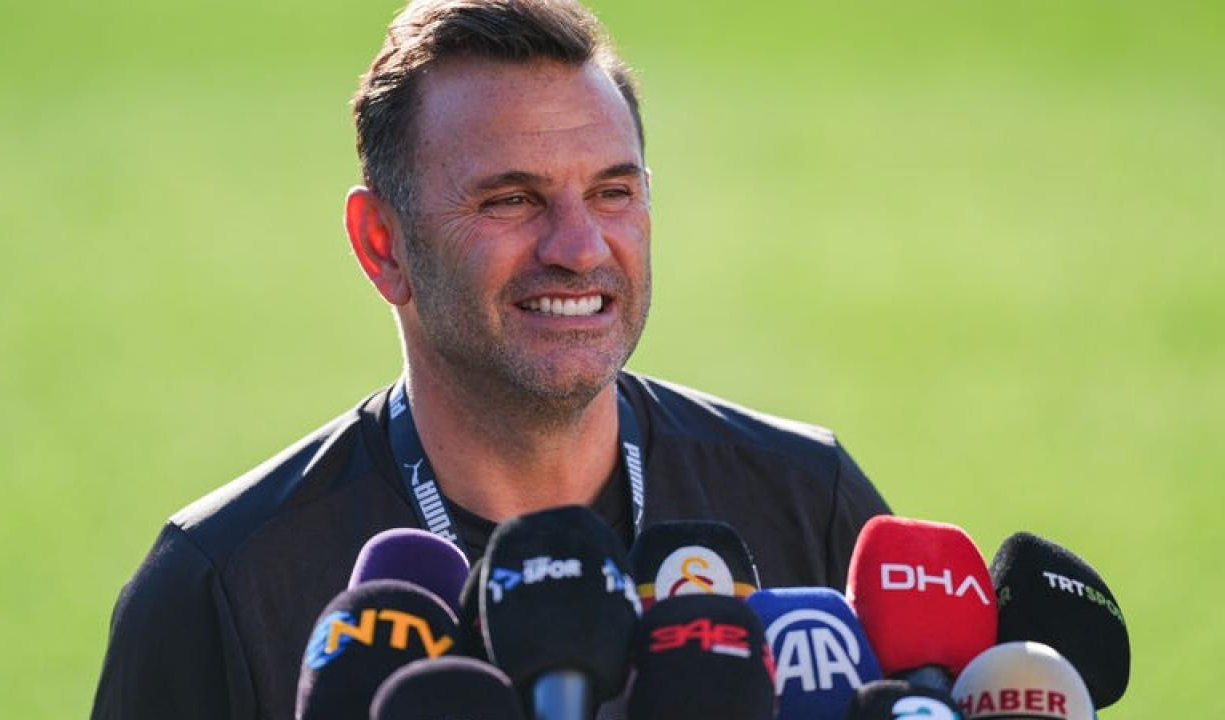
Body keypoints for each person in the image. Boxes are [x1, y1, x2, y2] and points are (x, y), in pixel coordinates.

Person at [90, 1, 890, 718]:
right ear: (382, 245)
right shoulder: (224, 586)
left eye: (613, 193)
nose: (580, 248)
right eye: (511, 200)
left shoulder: (807, 503)